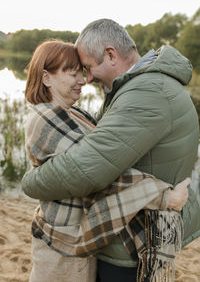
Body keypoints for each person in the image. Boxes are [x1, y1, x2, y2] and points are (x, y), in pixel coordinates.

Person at [22, 19, 200, 281]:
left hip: (131, 245)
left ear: (110, 55)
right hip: (131, 236)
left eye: (88, 68)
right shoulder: (138, 87)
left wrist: (31, 182)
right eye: (77, 72)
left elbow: (87, 170)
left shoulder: (146, 91)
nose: (87, 78)